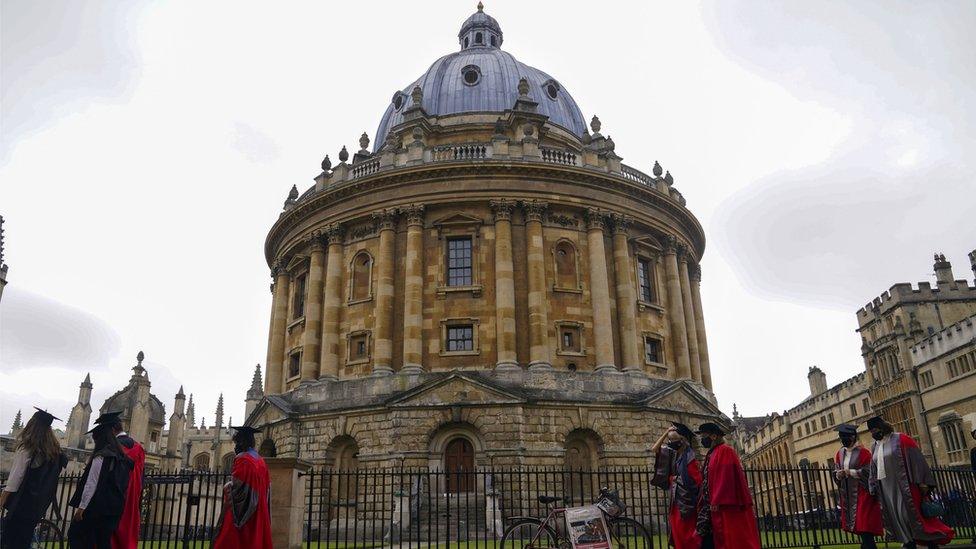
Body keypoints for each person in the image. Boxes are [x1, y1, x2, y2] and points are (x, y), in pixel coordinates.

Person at [867, 416, 954, 548]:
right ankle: (909, 542)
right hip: (886, 488)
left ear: (882, 427)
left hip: (905, 486)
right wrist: (872, 486)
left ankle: (930, 542)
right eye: (871, 431)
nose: (873, 433)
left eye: (875, 430)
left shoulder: (900, 439)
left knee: (909, 516)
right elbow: (873, 468)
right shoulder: (875, 446)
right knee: (897, 517)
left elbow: (917, 459)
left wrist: (922, 482)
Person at [0, 408, 68, 549]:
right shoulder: (55, 452)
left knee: (10, 541)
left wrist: (2, 499)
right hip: (38, 506)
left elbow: (15, 479)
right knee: (23, 541)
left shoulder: (27, 448)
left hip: (21, 504)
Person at [67, 421, 134, 549]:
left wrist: (81, 508)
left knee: (76, 535)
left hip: (98, 507)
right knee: (103, 542)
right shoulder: (123, 458)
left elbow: (92, 483)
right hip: (115, 507)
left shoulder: (102, 456)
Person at [695, 422, 760, 549]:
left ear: (713, 436)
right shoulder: (711, 453)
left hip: (726, 507)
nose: (702, 439)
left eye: (704, 436)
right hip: (712, 507)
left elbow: (727, 478)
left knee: (731, 540)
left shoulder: (725, 451)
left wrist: (717, 501)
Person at [92, 411, 146, 549]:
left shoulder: (113, 448)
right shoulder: (138, 447)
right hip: (131, 498)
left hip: (112, 498)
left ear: (111, 429)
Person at [213, 426, 272, 549]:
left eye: (237, 443)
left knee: (234, 541)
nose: (235, 447)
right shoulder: (261, 461)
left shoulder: (243, 459)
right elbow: (266, 488)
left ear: (242, 442)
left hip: (244, 513)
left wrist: (227, 486)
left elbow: (238, 490)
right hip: (259, 509)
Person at [651, 422, 702, 549]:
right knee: (678, 535)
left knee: (687, 537)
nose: (670, 442)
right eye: (669, 439)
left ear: (682, 440)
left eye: (673, 439)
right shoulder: (673, 454)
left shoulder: (690, 457)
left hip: (687, 504)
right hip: (676, 502)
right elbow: (655, 449)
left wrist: (674, 479)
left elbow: (697, 482)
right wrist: (666, 432)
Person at [833, 424, 882, 549]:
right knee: (858, 527)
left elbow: (869, 472)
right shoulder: (839, 453)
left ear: (853, 437)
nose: (843, 439)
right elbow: (836, 469)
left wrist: (850, 472)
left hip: (863, 493)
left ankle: (868, 546)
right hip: (848, 495)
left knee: (864, 524)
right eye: (841, 437)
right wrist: (838, 474)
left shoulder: (864, 453)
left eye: (846, 437)